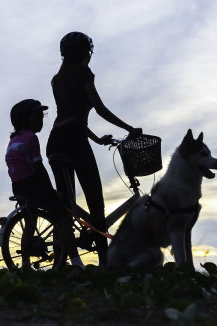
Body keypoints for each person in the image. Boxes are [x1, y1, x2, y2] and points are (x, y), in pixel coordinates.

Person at [46, 31, 142, 266]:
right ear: (85, 53)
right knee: (95, 203)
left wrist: (97, 139)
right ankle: (104, 263)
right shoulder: (83, 72)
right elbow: (99, 109)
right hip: (75, 141)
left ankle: (64, 259)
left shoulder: (56, 80)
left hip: (56, 141)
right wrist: (130, 127)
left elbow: (68, 117)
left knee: (66, 205)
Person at [5, 99, 84, 269]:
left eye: (42, 116)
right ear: (25, 119)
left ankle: (25, 263)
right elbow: (38, 166)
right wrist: (51, 189)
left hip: (18, 186)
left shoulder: (13, 140)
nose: (41, 120)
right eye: (37, 116)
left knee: (30, 223)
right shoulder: (31, 137)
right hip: (34, 184)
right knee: (63, 218)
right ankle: (77, 262)